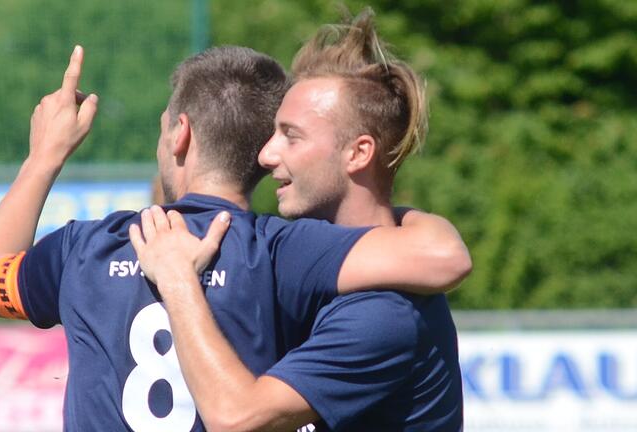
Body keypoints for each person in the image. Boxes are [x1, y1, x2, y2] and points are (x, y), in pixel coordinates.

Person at [0, 42, 470, 430]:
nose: (274, 154)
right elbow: (440, 256)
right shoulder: (279, 254)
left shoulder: (87, 247)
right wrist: (412, 216)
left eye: (290, 137)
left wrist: (44, 156)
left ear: (180, 134)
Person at [130, 8, 465, 432]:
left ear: (358, 153)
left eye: (291, 135)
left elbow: (237, 419)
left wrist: (178, 281)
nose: (267, 155)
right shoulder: (296, 266)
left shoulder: (384, 313)